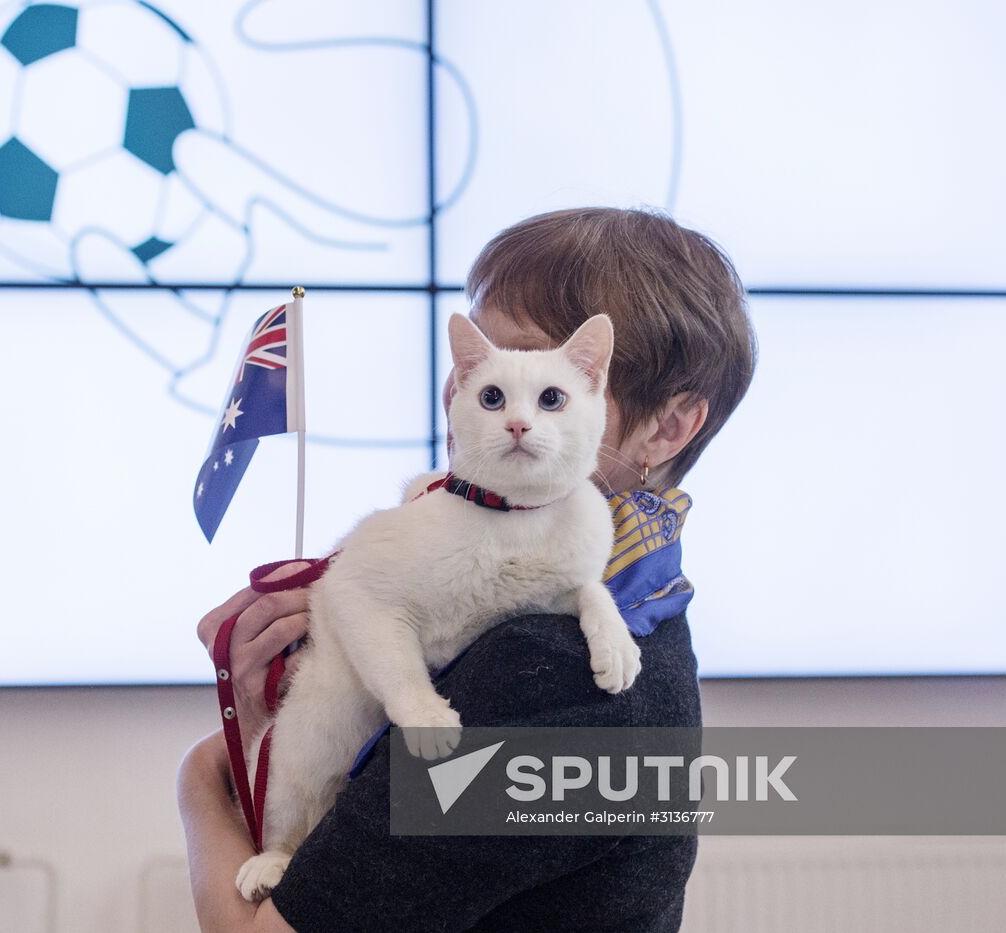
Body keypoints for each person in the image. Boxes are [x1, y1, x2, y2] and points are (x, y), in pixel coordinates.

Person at [177, 207, 757, 932]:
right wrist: (289, 721)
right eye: (476, 361)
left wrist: (204, 778)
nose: (477, 390)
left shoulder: (552, 672)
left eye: (542, 369)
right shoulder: (637, 602)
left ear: (665, 427)